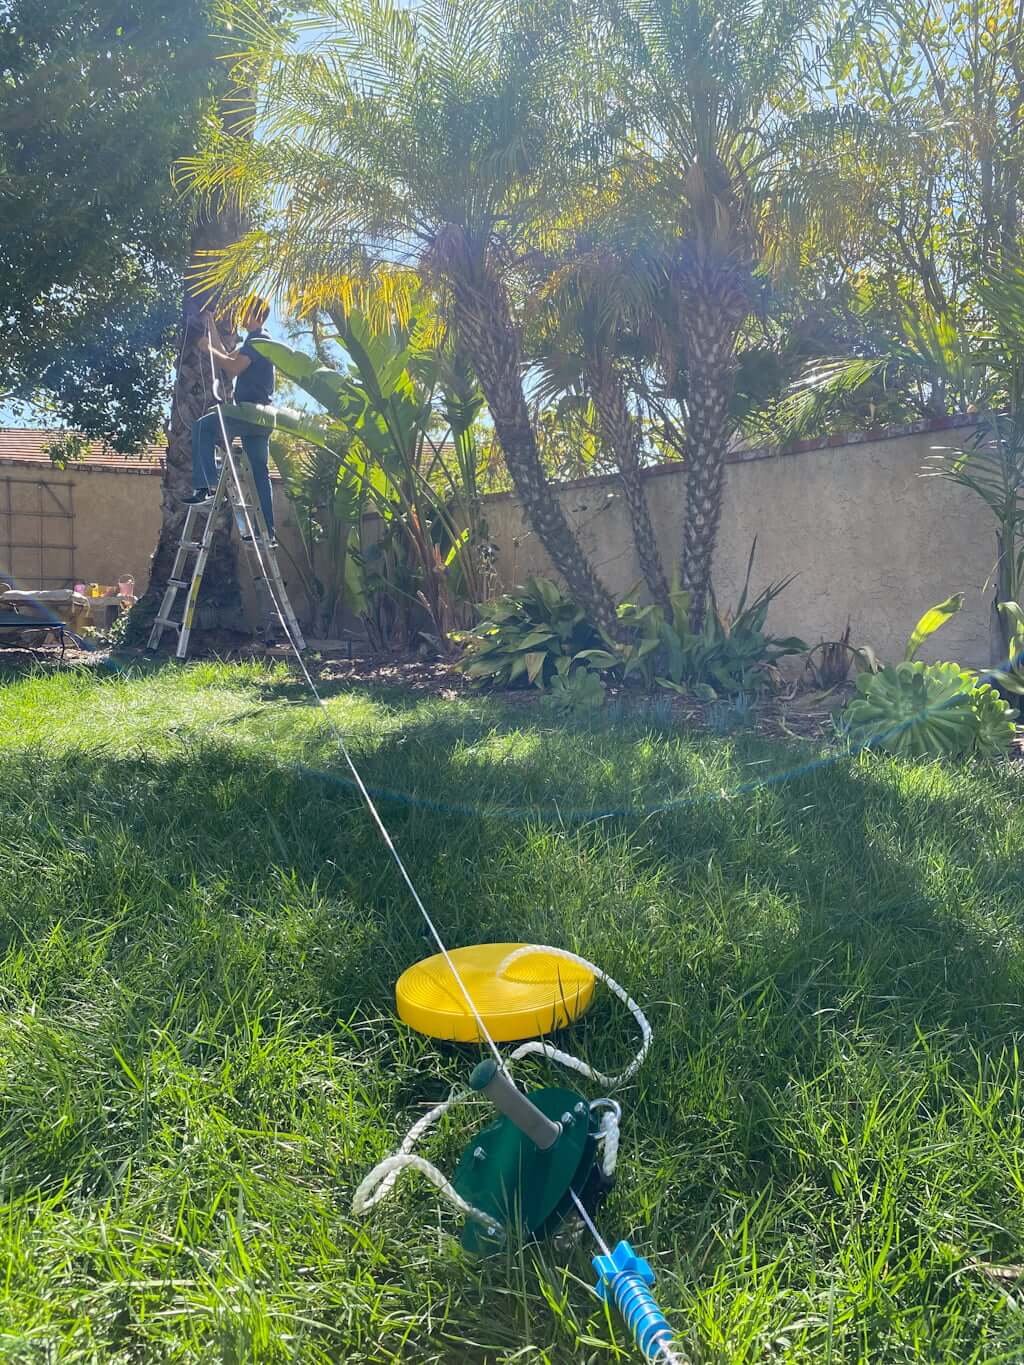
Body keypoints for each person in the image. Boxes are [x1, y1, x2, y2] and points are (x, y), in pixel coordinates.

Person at [185, 297, 277, 545]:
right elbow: (227, 356)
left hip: (250, 411)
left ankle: (206, 486)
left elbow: (233, 368)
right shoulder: (254, 341)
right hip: (261, 417)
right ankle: (266, 532)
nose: (241, 315)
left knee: (203, 426)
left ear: (254, 314)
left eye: (244, 311)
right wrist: (211, 325)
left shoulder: (260, 340)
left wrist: (205, 349)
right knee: (259, 472)